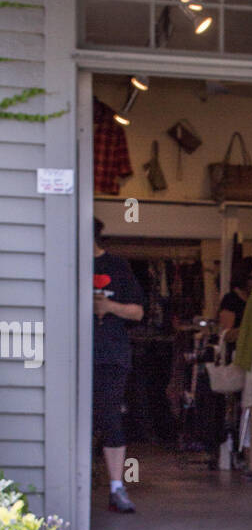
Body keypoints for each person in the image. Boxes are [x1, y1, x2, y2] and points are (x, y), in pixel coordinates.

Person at [93, 218, 144, 513]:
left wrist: (109, 307)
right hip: (71, 355)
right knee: (72, 420)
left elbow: (138, 312)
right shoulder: (67, 262)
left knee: (110, 417)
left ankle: (116, 487)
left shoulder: (117, 266)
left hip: (111, 356)